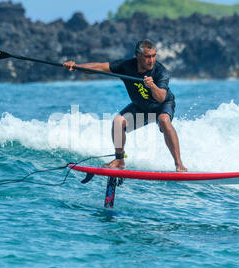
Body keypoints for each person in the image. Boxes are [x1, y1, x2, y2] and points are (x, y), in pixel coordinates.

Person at [63, 39, 187, 172]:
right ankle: (119, 160)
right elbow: (99, 67)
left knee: (163, 120)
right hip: (141, 107)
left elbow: (161, 97)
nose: (151, 60)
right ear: (137, 56)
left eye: (153, 56)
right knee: (118, 121)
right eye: (147, 57)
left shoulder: (160, 71)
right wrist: (76, 66)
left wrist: (152, 86)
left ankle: (179, 164)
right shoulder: (126, 66)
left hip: (162, 105)